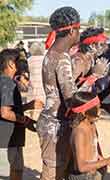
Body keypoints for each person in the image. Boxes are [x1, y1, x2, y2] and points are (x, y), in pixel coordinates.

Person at [37, 6, 81, 180]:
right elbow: (70, 98)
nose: (79, 34)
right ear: (71, 30)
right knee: (52, 174)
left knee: (57, 172)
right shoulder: (62, 57)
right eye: (79, 29)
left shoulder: (50, 54)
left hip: (50, 122)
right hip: (55, 126)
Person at [0, 49, 43, 180]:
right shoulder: (7, 83)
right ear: (11, 64)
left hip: (13, 139)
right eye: (19, 61)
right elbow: (5, 113)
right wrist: (25, 121)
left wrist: (27, 106)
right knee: (7, 174)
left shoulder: (7, 82)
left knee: (17, 171)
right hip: (6, 141)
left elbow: (10, 109)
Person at [67, 91, 110, 180]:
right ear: (84, 112)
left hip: (93, 174)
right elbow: (81, 167)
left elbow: (94, 152)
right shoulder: (79, 132)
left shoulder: (92, 125)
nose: (100, 112)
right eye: (97, 109)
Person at [27, 42, 46, 120]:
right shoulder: (46, 60)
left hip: (33, 89)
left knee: (33, 109)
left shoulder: (28, 61)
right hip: (44, 89)